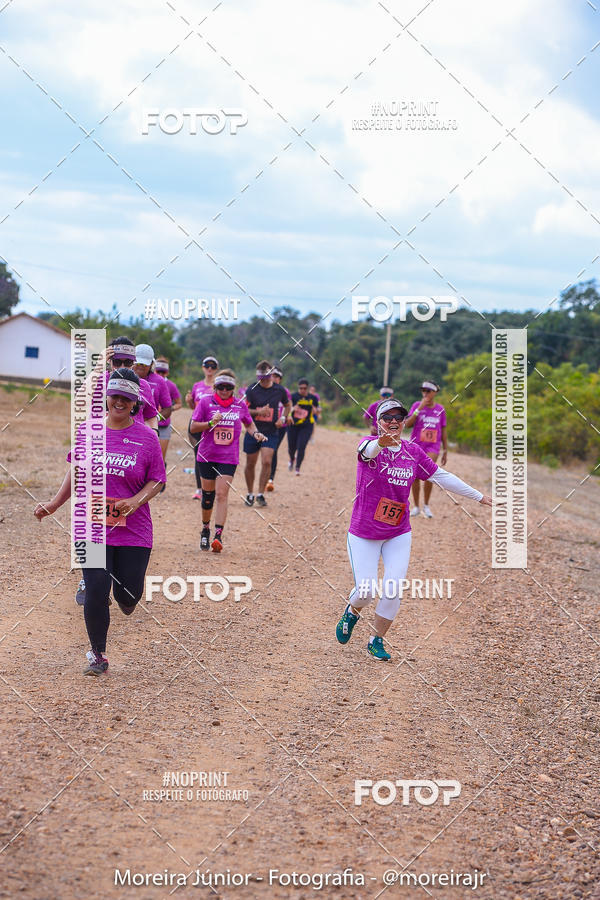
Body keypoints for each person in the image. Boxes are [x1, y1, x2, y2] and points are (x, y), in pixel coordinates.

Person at [335, 397, 491, 661]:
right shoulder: (368, 445)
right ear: (378, 422)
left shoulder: (413, 452)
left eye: (399, 418)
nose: (393, 422)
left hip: (398, 532)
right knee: (366, 590)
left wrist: (478, 496)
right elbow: (368, 451)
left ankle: (376, 640)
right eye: (387, 418)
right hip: (364, 533)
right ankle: (352, 610)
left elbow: (441, 476)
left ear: (405, 422)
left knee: (393, 587)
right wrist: (379, 442)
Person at [34, 369, 166, 675]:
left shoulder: (147, 437)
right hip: (91, 525)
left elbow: (157, 480)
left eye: (126, 398)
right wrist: (55, 503)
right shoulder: (87, 431)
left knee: (128, 597)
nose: (119, 402)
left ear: (135, 402)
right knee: (95, 588)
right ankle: (98, 654)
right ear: (106, 398)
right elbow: (76, 470)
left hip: (134, 530)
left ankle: (126, 599)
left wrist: (135, 502)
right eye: (114, 396)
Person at [190, 369, 267, 551]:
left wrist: (255, 433)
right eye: (221, 387)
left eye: (228, 387)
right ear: (215, 387)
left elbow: (248, 423)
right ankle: (205, 529)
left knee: (222, 494)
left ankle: (218, 535)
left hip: (228, 457)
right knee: (207, 498)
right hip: (207, 455)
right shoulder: (205, 402)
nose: (224, 390)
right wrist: (210, 424)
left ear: (233, 388)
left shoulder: (240, 405)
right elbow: (193, 427)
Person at [243, 361, 292, 506]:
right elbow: (244, 410)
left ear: (271, 376)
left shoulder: (279, 390)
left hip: (271, 432)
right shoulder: (252, 389)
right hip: (253, 431)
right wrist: (258, 412)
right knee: (250, 463)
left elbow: (288, 405)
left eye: (266, 378)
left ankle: (260, 494)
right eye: (261, 378)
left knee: (267, 461)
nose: (264, 381)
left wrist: (282, 418)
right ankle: (250, 493)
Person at [405, 381, 447, 518]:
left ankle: (427, 506)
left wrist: (445, 450)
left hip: (433, 446)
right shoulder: (417, 405)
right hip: (416, 444)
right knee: (415, 476)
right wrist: (419, 408)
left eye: (428, 391)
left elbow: (444, 430)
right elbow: (407, 424)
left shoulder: (440, 409)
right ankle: (416, 506)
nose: (425, 393)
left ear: (435, 392)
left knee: (429, 472)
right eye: (423, 390)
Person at [186, 356, 219, 500]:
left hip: (213, 426)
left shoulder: (220, 386)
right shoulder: (197, 385)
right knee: (198, 455)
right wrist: (189, 402)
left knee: (214, 456)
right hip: (197, 425)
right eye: (207, 366)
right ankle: (199, 490)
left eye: (212, 366)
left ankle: (213, 488)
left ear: (216, 369)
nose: (209, 369)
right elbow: (194, 407)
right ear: (203, 368)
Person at [266, 366, 291, 492]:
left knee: (273, 450)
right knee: (266, 452)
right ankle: (265, 475)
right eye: (272, 375)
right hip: (266, 425)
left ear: (280, 379)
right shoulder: (265, 389)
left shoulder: (284, 391)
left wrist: (284, 418)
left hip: (280, 426)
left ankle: (270, 479)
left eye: (276, 376)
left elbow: (288, 406)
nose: (274, 378)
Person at [287, 378, 320, 475]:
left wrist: (316, 410)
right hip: (293, 425)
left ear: (307, 388)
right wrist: (293, 409)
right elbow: (287, 409)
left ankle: (297, 467)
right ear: (298, 388)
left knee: (301, 446)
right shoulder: (293, 396)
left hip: (306, 426)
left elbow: (318, 410)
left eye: (304, 388)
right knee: (291, 447)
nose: (302, 390)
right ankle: (292, 458)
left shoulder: (312, 398)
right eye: (300, 388)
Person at [154, 356, 182, 463]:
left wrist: (169, 409)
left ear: (168, 372)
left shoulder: (171, 385)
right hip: (149, 424)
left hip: (164, 425)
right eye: (158, 371)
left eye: (163, 372)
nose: (161, 374)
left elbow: (179, 403)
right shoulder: (148, 381)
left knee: (160, 458)